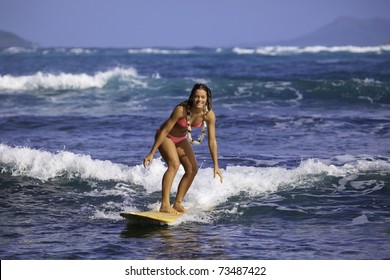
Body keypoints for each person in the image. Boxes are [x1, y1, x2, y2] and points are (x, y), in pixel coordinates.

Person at [143, 83, 223, 214]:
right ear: (192, 97)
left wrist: (216, 165)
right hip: (165, 136)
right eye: (197, 96)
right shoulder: (181, 109)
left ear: (207, 98)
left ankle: (177, 203)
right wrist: (151, 153)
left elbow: (212, 140)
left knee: (192, 169)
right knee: (174, 164)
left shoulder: (209, 115)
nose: (200, 100)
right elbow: (165, 130)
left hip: (180, 139)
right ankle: (165, 205)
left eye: (203, 97)